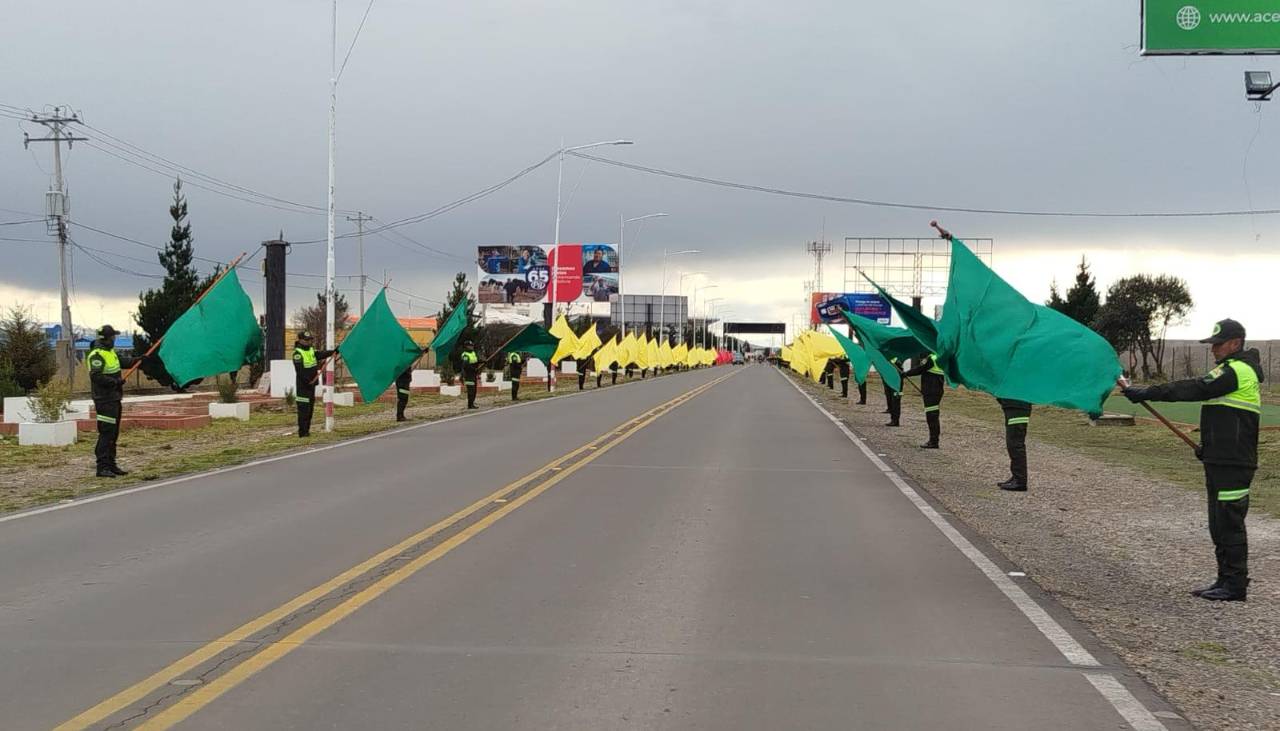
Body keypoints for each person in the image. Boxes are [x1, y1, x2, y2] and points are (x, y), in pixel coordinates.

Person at [1122, 318, 1262, 602]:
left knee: (1229, 522)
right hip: (1221, 460)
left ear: (1235, 343)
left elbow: (1195, 388)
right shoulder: (1230, 370)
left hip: (1234, 464)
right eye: (1212, 346)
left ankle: (1235, 585)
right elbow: (1223, 418)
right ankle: (1225, 579)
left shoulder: (1238, 370)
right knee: (1218, 523)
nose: (1213, 350)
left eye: (1218, 344)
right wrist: (1208, 448)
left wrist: (1147, 393)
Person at [87, 325, 140, 478]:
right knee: (106, 433)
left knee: (114, 434)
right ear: (106, 338)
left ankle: (111, 464)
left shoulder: (110, 353)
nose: (114, 339)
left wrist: (139, 360)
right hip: (104, 400)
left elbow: (123, 362)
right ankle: (102, 466)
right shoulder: (96, 355)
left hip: (115, 398)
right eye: (113, 337)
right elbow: (96, 376)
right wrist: (115, 382)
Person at [292, 330, 335, 437]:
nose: (309, 342)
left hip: (311, 386)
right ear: (300, 340)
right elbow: (300, 371)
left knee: (310, 410)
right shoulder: (297, 353)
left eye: (310, 339)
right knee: (304, 411)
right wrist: (308, 382)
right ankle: (302, 433)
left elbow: (320, 354)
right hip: (303, 387)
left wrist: (334, 351)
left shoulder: (311, 350)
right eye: (306, 340)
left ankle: (307, 431)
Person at [903, 353, 945, 449]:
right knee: (933, 415)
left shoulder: (932, 358)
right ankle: (934, 440)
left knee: (931, 416)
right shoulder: (940, 357)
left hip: (931, 390)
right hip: (936, 389)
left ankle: (933, 441)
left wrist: (906, 373)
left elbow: (920, 369)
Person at [997, 398, 1032, 492]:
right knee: (1013, 443)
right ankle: (1016, 477)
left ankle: (1020, 481)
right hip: (1013, 407)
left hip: (1018, 407)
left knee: (1015, 444)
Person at [459, 339, 481, 409]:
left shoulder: (473, 353)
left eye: (472, 346)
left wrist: (482, 362)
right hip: (468, 374)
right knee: (471, 391)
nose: (472, 347)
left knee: (474, 390)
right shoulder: (465, 355)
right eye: (470, 346)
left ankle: (472, 404)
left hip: (474, 374)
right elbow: (466, 365)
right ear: (466, 347)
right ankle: (470, 405)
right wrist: (474, 369)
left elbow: (475, 362)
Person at [883, 357, 903, 427]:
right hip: (889, 379)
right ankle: (893, 419)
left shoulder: (898, 359)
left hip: (897, 382)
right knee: (890, 399)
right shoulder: (888, 357)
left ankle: (895, 420)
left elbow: (900, 367)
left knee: (896, 400)